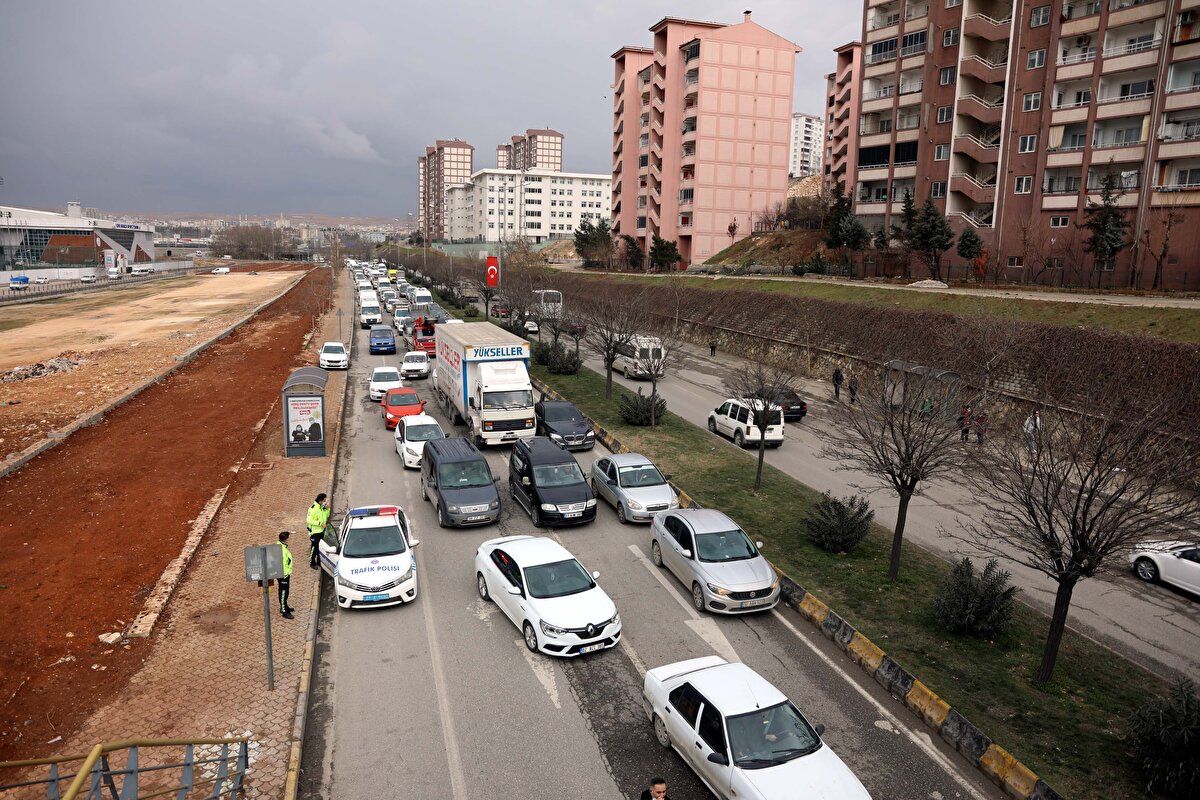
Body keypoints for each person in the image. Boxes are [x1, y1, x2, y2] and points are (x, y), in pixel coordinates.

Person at [307, 493, 331, 569]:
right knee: (314, 548)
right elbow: (309, 520)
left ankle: (319, 561)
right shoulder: (313, 509)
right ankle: (312, 562)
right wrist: (320, 523)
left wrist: (328, 509)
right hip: (315, 532)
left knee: (319, 548)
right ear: (320, 501)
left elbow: (325, 516)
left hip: (321, 531)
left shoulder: (321, 507)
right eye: (324, 500)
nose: (325, 502)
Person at [278, 531, 295, 619]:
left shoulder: (280, 546)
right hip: (283, 574)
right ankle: (284, 611)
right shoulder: (283, 550)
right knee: (284, 592)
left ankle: (285, 606)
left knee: (285, 591)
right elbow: (283, 564)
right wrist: (285, 574)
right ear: (286, 539)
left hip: (284, 574)